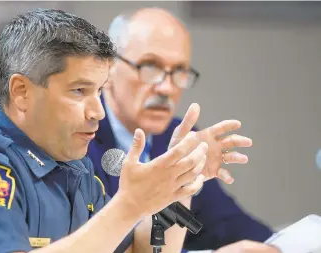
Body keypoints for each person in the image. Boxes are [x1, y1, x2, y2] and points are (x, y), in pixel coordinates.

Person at [0, 8, 218, 253]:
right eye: (79, 91)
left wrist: (177, 188)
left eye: (100, 91)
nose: (97, 111)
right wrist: (128, 206)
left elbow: (141, 251)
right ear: (21, 92)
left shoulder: (73, 165)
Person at [87, 7, 279, 252]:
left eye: (179, 71)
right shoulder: (81, 133)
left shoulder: (177, 136)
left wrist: (278, 246)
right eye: (150, 66)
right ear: (109, 67)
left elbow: (227, 224)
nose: (166, 88)